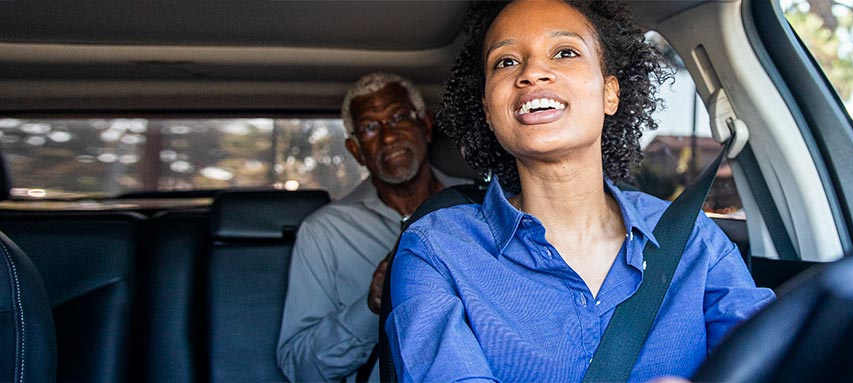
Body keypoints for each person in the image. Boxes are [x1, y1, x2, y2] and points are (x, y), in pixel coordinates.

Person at [385, 1, 774, 382]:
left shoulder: (692, 238)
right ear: (488, 108)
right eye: (505, 62)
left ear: (610, 93)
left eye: (565, 52)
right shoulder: (435, 249)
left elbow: (777, 360)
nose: (533, 73)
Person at [277, 72, 463, 382]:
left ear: (426, 126)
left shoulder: (480, 206)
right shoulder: (324, 232)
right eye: (370, 127)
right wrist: (372, 305)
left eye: (399, 117)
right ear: (356, 150)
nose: (389, 136)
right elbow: (300, 367)